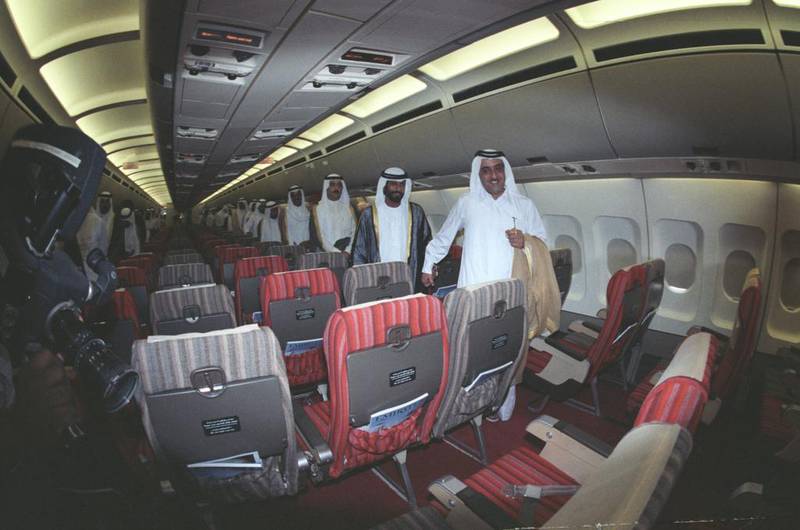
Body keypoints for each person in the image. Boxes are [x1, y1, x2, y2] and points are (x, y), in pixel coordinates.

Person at [421, 149, 547, 421]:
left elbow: (543, 242)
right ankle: (469, 402)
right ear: (479, 175)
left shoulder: (524, 205)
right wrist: (427, 264)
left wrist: (525, 241)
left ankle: (504, 401)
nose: (493, 175)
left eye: (498, 168)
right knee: (472, 350)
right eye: (486, 170)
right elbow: (444, 237)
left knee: (507, 347)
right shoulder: (466, 203)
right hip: (473, 292)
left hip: (510, 292)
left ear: (506, 172)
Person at [352, 167, 432, 292]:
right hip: (379, 277)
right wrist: (361, 278)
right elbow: (359, 250)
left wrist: (428, 268)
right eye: (393, 184)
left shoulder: (416, 212)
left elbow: (426, 243)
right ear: (384, 186)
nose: (398, 188)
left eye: (401, 185)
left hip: (408, 274)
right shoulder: (369, 214)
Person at [311, 174, 356, 255]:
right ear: (327, 188)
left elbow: (354, 231)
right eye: (332, 185)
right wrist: (336, 252)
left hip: (348, 254)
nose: (336, 188)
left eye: (339, 185)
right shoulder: (318, 209)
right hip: (327, 254)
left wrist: (348, 251)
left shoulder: (349, 208)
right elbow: (320, 236)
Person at [76, 191, 114, 280]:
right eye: (102, 202)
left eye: (107, 202)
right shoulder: (80, 221)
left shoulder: (113, 220)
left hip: (99, 265)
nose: (104, 205)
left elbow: (104, 248)